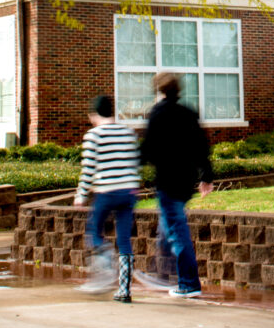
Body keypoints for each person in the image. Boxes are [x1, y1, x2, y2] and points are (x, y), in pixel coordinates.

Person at [139, 72, 214, 298]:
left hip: (168, 181)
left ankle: (188, 283)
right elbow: (202, 145)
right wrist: (206, 176)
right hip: (186, 180)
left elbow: (148, 150)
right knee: (166, 226)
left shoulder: (158, 113)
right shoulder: (187, 112)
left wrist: (132, 165)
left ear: (159, 91)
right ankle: (163, 274)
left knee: (176, 230)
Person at [76, 94, 141, 302]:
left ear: (93, 114)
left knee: (94, 231)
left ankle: (104, 259)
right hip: (128, 191)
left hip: (106, 190)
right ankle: (124, 290)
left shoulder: (93, 135)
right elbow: (134, 162)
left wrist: (81, 196)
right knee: (124, 239)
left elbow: (88, 170)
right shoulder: (128, 133)